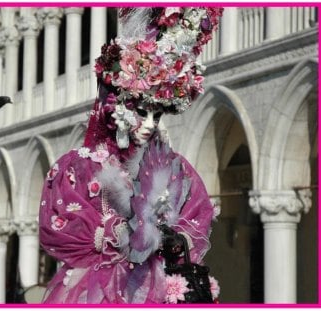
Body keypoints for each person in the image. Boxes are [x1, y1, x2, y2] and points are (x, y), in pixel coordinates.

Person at [38, 7, 223, 304]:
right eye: (140, 112)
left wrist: (173, 239)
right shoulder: (80, 167)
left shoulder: (175, 168)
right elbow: (57, 230)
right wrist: (118, 233)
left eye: (157, 115)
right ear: (114, 106)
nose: (149, 125)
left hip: (161, 288)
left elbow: (195, 218)